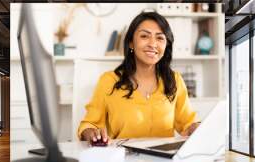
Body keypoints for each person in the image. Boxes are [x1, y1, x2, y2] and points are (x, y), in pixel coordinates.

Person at [78, 11, 200, 144]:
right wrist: (91, 133)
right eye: (144, 36)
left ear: (166, 45)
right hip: (123, 159)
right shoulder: (109, 80)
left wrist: (195, 127)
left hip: (164, 161)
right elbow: (89, 124)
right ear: (131, 43)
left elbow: (188, 123)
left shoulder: (174, 80)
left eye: (160, 38)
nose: (153, 44)